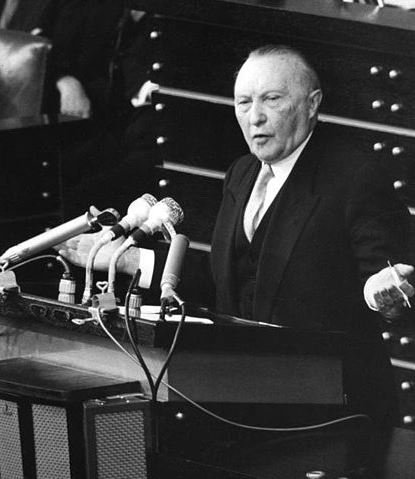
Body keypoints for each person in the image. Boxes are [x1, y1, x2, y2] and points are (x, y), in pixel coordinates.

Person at [58, 44, 415, 422]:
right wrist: (129, 259)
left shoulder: (355, 177)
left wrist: (384, 294)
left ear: (312, 104)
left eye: (272, 99)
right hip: (244, 396)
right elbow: (223, 280)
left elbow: (391, 281)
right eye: (243, 103)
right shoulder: (241, 174)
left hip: (336, 406)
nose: (255, 117)